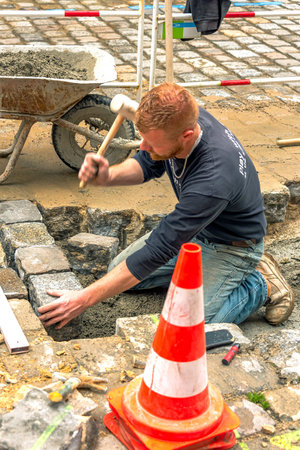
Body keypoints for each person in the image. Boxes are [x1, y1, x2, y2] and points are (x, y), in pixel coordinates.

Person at [38, 83, 294, 329]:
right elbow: (149, 163)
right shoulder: (182, 118)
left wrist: (82, 300)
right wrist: (108, 177)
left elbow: (158, 249)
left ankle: (262, 283)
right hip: (197, 232)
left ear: (187, 136)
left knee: (188, 327)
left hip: (233, 247)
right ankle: (198, 277)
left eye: (151, 142)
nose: (142, 146)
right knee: (118, 273)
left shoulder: (214, 178)